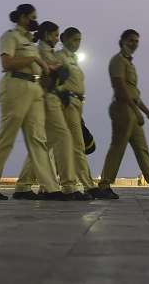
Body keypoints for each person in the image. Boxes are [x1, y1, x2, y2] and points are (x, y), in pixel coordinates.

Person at [0, 4, 64, 200]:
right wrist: (30, 59)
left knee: (38, 139)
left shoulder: (30, 43)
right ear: (22, 17)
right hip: (15, 86)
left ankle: (51, 188)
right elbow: (7, 63)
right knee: (6, 137)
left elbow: (41, 66)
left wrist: (51, 68)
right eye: (32, 17)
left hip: (34, 88)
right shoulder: (10, 37)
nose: (35, 21)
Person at [94, 29, 149, 200]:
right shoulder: (117, 61)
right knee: (118, 147)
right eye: (131, 40)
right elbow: (120, 88)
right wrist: (135, 112)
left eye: (136, 41)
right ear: (123, 41)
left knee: (142, 150)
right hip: (121, 108)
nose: (134, 44)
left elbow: (135, 95)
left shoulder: (130, 64)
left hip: (131, 109)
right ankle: (104, 186)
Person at [14, 21, 87, 200]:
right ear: (47, 35)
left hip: (51, 100)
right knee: (62, 138)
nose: (57, 38)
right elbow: (44, 78)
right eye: (55, 35)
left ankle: (24, 185)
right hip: (46, 100)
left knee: (44, 144)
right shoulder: (41, 52)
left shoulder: (47, 52)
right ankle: (68, 186)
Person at [54, 27, 97, 195]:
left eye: (79, 40)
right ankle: (86, 185)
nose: (77, 43)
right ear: (64, 40)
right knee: (77, 145)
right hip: (67, 102)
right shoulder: (59, 57)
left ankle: (68, 184)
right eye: (74, 40)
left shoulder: (74, 59)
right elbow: (53, 80)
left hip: (77, 104)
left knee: (66, 145)